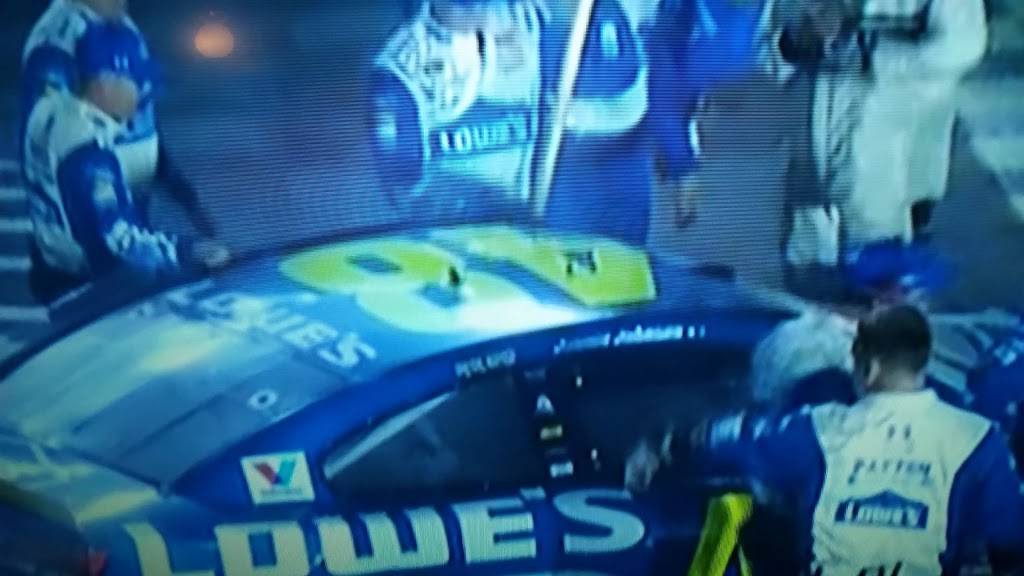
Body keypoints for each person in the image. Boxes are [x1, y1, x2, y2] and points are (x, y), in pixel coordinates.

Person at [626, 304, 1024, 574]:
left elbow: (726, 438)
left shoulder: (818, 429)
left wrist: (659, 446)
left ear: (867, 368)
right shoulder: (979, 438)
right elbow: (1009, 544)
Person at [758, 0, 988, 295]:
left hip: (889, 174)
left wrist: (867, 52)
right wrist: (795, 42)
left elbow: (962, 46)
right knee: (808, 299)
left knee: (881, 296)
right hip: (806, 179)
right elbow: (761, 48)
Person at [23, 21, 230, 305]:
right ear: (104, 83)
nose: (142, 92)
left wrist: (190, 203)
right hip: (88, 286)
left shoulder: (54, 110)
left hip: (56, 268)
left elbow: (157, 159)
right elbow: (117, 242)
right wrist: (190, 250)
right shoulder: (88, 150)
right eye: (134, 82)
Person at [21, 0, 218, 238]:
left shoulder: (120, 25)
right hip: (86, 233)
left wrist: (185, 197)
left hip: (130, 212)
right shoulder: (55, 43)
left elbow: (143, 119)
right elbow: (47, 141)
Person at [369, 0, 546, 225]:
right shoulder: (403, 67)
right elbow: (403, 184)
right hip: (461, 229)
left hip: (544, 219)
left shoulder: (535, 19)